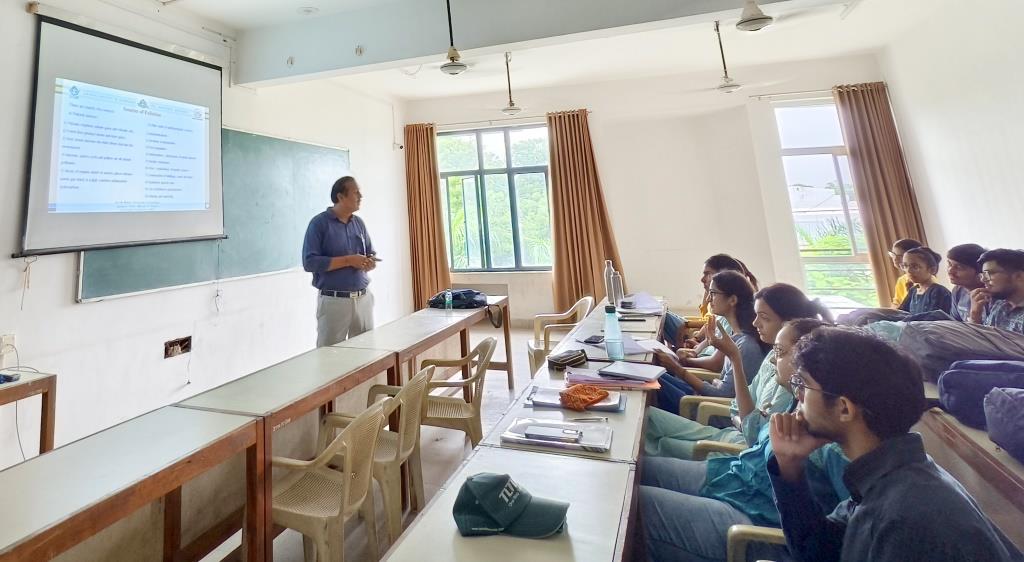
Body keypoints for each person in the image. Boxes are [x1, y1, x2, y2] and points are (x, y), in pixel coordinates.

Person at [767, 326, 1022, 561]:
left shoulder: (904, 517)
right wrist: (789, 468)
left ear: (844, 408)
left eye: (804, 385)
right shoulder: (887, 475)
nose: (797, 395)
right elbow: (820, 552)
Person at [639, 320, 847, 562]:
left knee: (635, 505)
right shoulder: (801, 406)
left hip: (755, 516)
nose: (771, 360)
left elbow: (825, 545)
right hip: (738, 481)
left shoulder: (835, 446)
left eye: (779, 353)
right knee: (638, 471)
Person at [645, 285, 832, 459]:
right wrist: (742, 417)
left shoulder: (789, 382)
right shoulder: (771, 358)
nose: (755, 322)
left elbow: (753, 433)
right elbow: (739, 407)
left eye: (764, 317)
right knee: (649, 419)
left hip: (739, 447)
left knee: (657, 443)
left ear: (787, 322)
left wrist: (734, 358)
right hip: (732, 431)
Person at [653, 271, 768, 412]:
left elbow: (722, 394)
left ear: (732, 300)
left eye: (713, 293)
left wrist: (678, 369)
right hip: (703, 396)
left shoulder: (747, 346)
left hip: (708, 409)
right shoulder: (735, 335)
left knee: (653, 384)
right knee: (653, 375)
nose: (708, 299)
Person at [302, 176, 378, 346]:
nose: (360, 196)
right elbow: (310, 262)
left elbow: (370, 253)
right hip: (334, 302)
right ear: (340, 197)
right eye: (355, 192)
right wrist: (348, 260)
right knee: (330, 358)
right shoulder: (319, 224)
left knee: (366, 356)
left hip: (363, 298)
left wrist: (369, 262)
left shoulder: (358, 223)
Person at [662, 254, 758, 350]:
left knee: (664, 318)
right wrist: (697, 341)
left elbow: (716, 361)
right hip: (700, 347)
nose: (702, 279)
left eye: (708, 274)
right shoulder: (721, 306)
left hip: (702, 355)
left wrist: (680, 361)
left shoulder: (731, 317)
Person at [970, 248, 1024, 335]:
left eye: (989, 273)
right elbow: (982, 340)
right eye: (983, 275)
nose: (983, 280)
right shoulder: (1000, 305)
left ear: (1019, 276)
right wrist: (975, 315)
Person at [898, 247, 952, 315]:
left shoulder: (939, 292)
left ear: (932, 270)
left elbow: (938, 318)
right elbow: (901, 312)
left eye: (915, 266)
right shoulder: (913, 291)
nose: (908, 271)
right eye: (905, 266)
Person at [947, 243, 987, 321]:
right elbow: (955, 324)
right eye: (949, 264)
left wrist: (974, 316)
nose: (950, 271)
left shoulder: (988, 294)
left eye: (959, 267)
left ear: (979, 272)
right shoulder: (958, 291)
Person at [888, 238, 923, 307]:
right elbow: (896, 303)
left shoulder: (925, 280)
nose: (895, 259)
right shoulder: (901, 280)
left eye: (900, 256)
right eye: (893, 255)